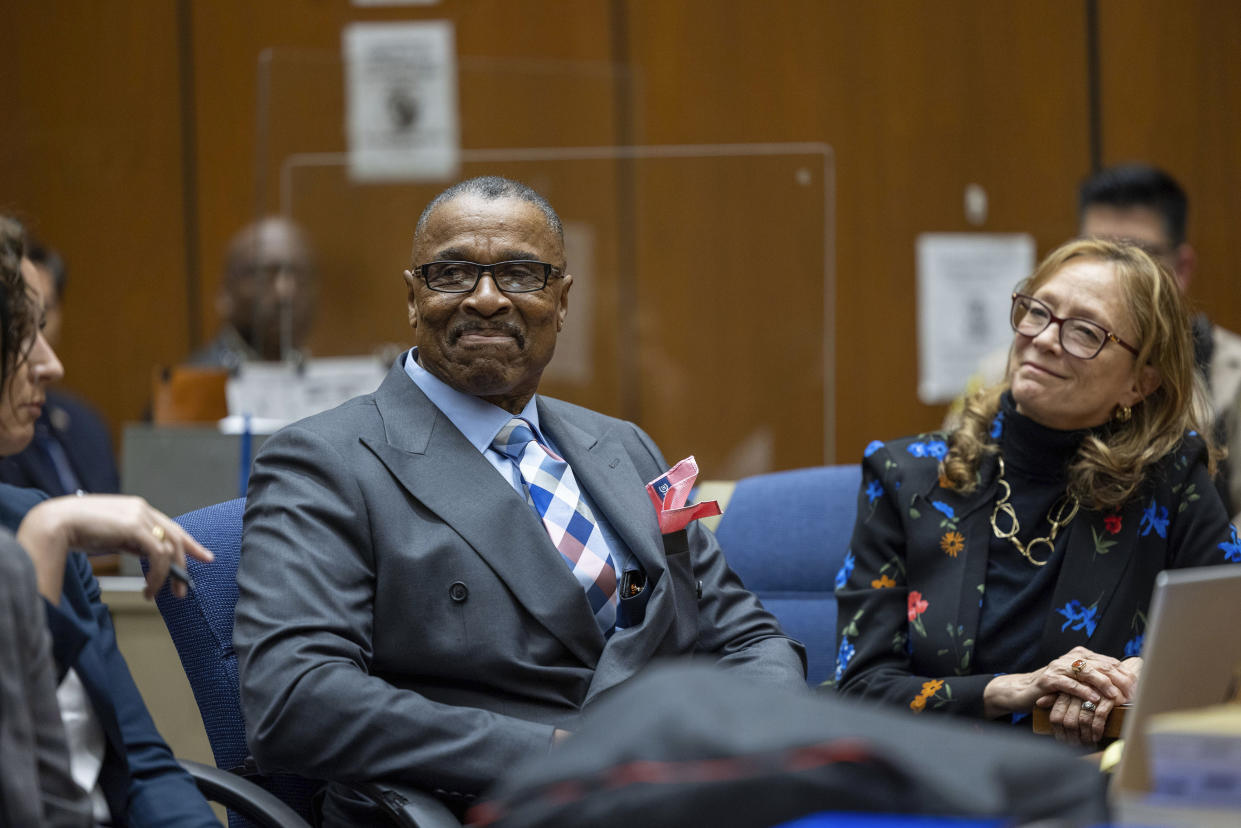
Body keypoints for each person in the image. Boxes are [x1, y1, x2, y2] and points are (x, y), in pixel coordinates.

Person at [234, 176, 807, 823]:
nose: (484, 299)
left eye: (519, 273)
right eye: (451, 272)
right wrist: (563, 753)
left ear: (560, 301)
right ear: (413, 298)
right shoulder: (325, 460)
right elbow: (296, 700)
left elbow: (747, 634)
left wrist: (754, 737)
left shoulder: (620, 444)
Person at [835, 238, 1241, 747]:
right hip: (938, 776)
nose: (1045, 338)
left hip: (1088, 780)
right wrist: (1014, 690)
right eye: (1037, 311)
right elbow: (861, 689)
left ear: (1140, 382)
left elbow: (1227, 639)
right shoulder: (906, 476)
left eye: (1085, 332)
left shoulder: (1169, 477)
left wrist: (1144, 673)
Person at [0, 215, 219, 826]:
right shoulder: (50, 528)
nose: (51, 364)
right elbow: (28, 796)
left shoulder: (40, 520)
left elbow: (143, 763)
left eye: (45, 329)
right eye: (22, 334)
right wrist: (46, 540)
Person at [0, 240, 121, 498]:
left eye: (41, 320)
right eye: (18, 328)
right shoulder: (11, 437)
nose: (54, 367)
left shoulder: (87, 424)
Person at [186, 215, 316, 370]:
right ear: (225, 292)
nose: (285, 292)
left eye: (299, 275)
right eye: (265, 275)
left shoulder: (313, 372)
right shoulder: (194, 382)